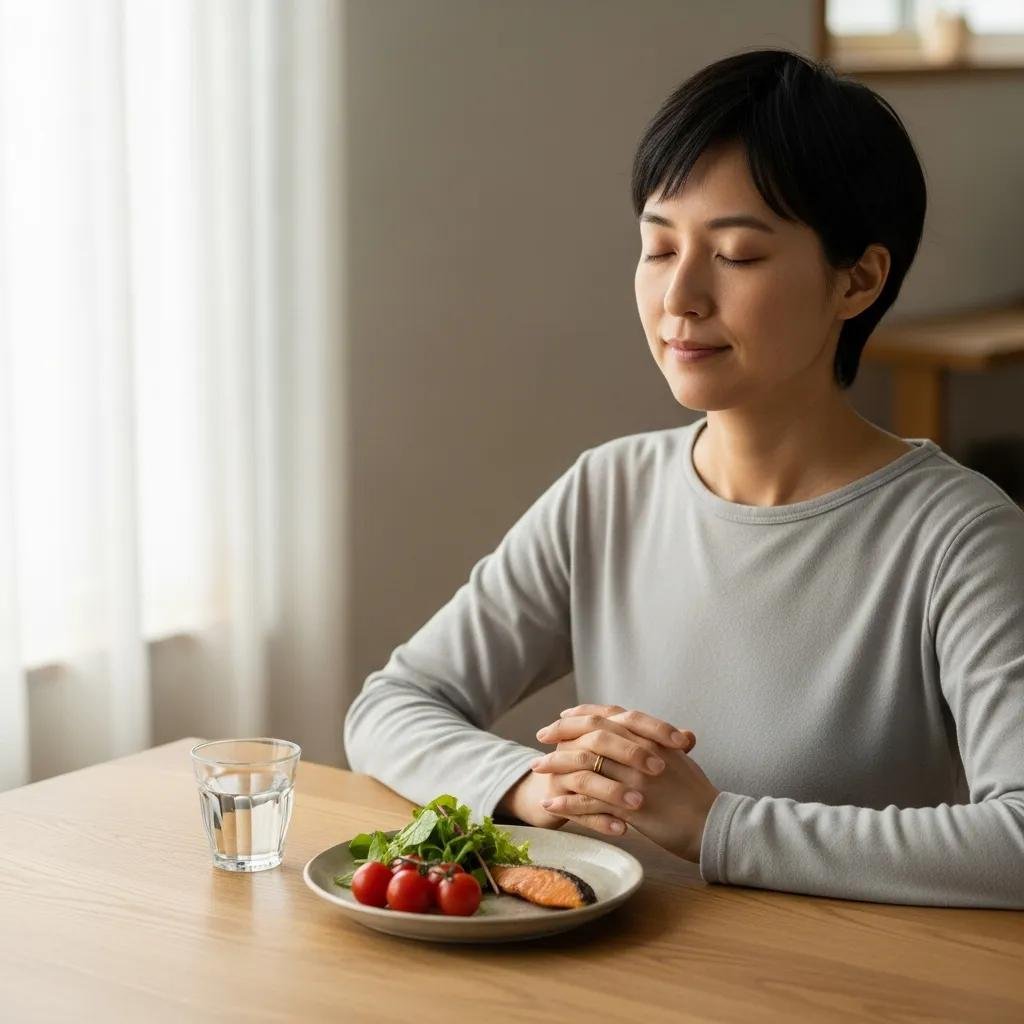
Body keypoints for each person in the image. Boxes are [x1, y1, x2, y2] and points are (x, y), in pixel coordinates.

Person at [344, 48, 1024, 907]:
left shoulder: (959, 538)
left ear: (857, 280)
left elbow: (1018, 838)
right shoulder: (608, 492)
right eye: (659, 248)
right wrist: (528, 785)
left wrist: (717, 827)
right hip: (622, 974)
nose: (682, 298)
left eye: (736, 255)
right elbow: (392, 705)